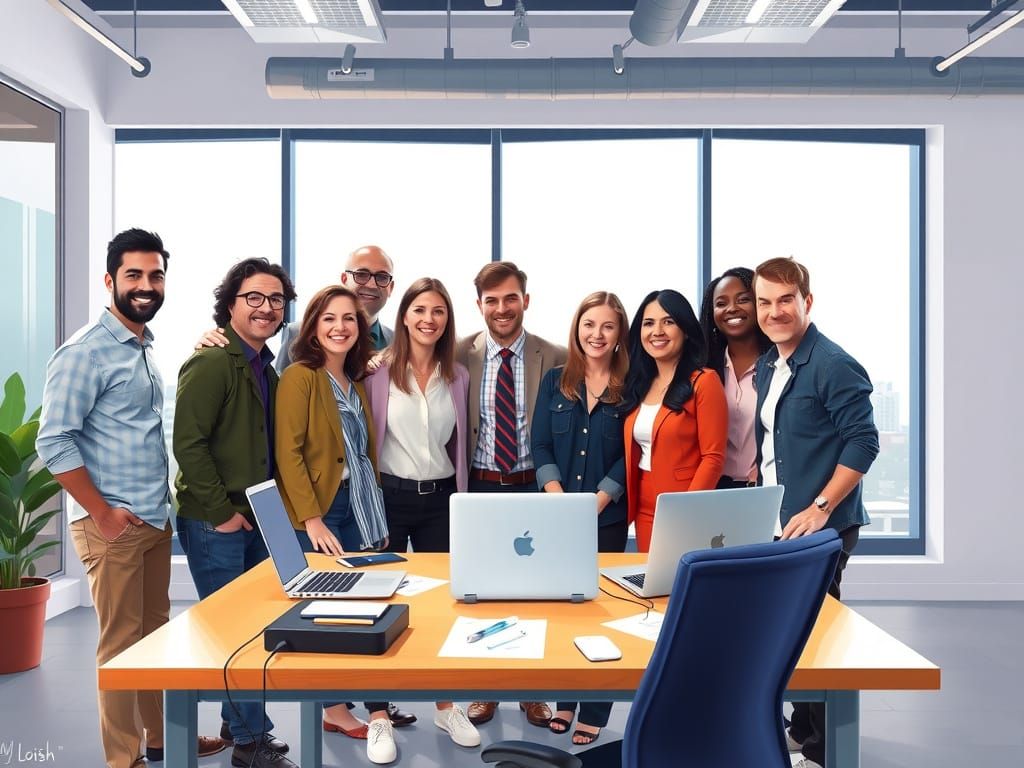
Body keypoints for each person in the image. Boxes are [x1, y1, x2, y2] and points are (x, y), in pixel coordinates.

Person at [35, 229, 225, 768]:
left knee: (154, 637)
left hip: (151, 518)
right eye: (134, 275)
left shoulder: (142, 344)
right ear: (110, 280)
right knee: (120, 646)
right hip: (113, 523)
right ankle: (125, 758)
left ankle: (163, 740)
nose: (146, 286)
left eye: (155, 275)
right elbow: (53, 440)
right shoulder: (85, 352)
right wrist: (101, 513)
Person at [752, 257, 879, 768]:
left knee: (815, 637)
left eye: (786, 299)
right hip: (780, 524)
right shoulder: (771, 363)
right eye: (765, 301)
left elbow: (863, 442)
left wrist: (822, 505)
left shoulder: (831, 363)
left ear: (807, 300)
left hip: (820, 525)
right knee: (789, 632)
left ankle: (826, 752)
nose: (774, 311)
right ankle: (803, 731)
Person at [173, 258, 297, 768]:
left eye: (275, 300)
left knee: (255, 622)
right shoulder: (213, 361)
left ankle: (238, 725)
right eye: (255, 298)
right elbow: (188, 444)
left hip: (255, 515)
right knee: (238, 632)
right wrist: (222, 511)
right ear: (230, 304)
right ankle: (250, 745)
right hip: (215, 519)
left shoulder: (261, 364)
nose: (266, 308)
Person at [274, 285, 397, 765]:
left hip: (361, 505)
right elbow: (290, 452)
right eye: (329, 319)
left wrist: (376, 514)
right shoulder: (300, 377)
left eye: (349, 319)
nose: (340, 327)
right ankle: (334, 708)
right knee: (328, 614)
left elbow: (364, 455)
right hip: (323, 509)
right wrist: (312, 518)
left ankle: (364, 704)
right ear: (313, 326)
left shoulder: (354, 379)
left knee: (365, 606)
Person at [364, 278, 480, 749]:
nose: (429, 319)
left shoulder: (458, 376)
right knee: (378, 604)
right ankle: (378, 716)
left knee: (440, 606)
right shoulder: (375, 371)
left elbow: (459, 444)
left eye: (438, 311)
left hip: (440, 502)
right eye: (420, 310)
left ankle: (446, 708)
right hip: (387, 497)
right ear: (405, 315)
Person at [455, 261, 566, 729]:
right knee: (484, 593)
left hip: (534, 486)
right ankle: (484, 689)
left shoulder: (556, 355)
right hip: (479, 484)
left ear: (526, 299)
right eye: (492, 300)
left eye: (510, 298)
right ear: (479, 304)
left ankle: (533, 692)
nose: (502, 309)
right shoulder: (458, 354)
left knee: (534, 594)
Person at [530, 291, 630, 745]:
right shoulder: (555, 381)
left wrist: (599, 500)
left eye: (607, 326)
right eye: (589, 325)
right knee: (564, 612)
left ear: (619, 334)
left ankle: (593, 709)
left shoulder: (632, 385)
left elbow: (633, 455)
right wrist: (557, 496)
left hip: (606, 520)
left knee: (600, 613)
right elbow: (541, 445)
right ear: (577, 329)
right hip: (558, 517)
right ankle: (566, 699)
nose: (597, 334)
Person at [621, 289, 728, 553]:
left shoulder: (704, 381)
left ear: (685, 330)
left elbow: (713, 457)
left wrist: (687, 510)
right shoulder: (639, 384)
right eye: (649, 323)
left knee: (683, 585)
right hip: (644, 507)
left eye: (668, 322)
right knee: (653, 585)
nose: (657, 331)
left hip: (685, 503)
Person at [195, 244, 396, 366]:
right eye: (361, 274)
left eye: (381, 277)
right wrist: (222, 338)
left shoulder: (400, 343)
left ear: (391, 287)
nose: (371, 284)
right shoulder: (299, 334)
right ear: (344, 278)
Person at [699, 267, 773, 489]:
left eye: (743, 300)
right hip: (712, 488)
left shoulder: (780, 367)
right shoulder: (703, 371)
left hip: (765, 486)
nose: (732, 308)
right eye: (721, 303)